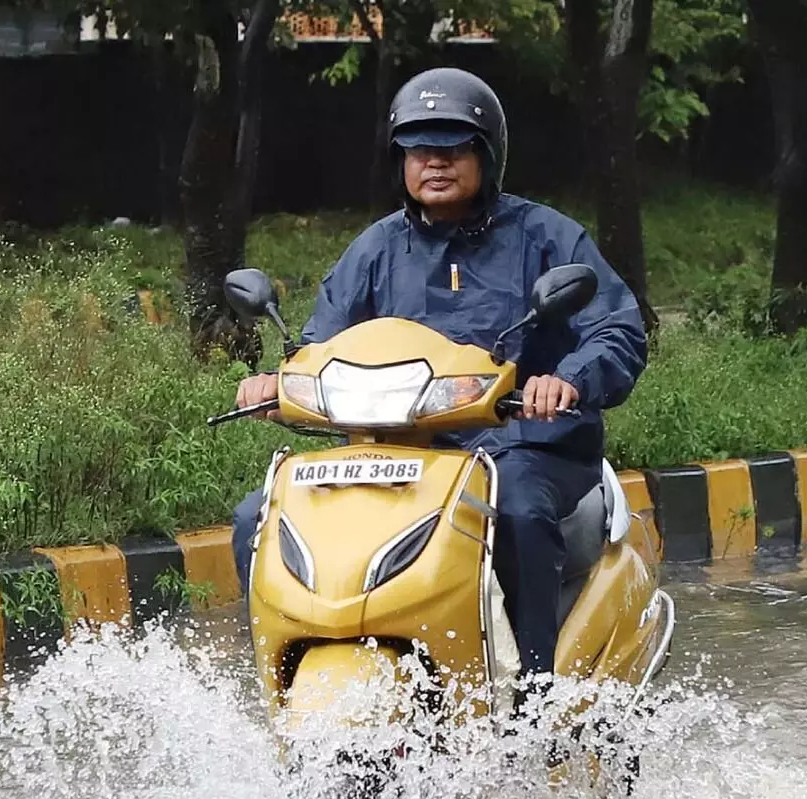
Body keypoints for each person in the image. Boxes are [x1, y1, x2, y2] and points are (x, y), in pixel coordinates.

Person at [230, 67, 647, 685]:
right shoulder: (375, 250)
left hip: (524, 449)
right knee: (256, 519)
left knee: (520, 516)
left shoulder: (547, 238)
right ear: (399, 162)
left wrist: (567, 381)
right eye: (419, 150)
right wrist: (279, 380)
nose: (436, 163)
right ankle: (278, 681)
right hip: (398, 455)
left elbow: (618, 329)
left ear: (487, 154)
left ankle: (534, 698)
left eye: (453, 148)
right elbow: (321, 342)